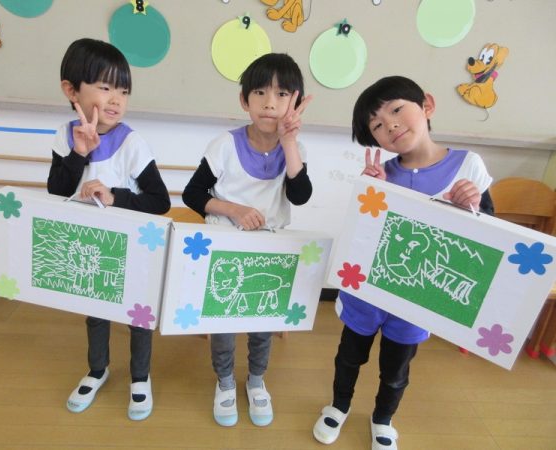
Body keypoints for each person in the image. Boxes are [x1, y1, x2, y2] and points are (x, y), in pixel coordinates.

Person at [312, 76, 494, 449]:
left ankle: (383, 419)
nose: (390, 125)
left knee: (396, 369)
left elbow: (489, 236)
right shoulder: (383, 174)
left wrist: (472, 205)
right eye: (377, 125)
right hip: (366, 294)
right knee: (348, 357)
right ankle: (339, 405)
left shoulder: (468, 165)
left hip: (416, 300)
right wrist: (370, 192)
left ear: (427, 105)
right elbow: (361, 237)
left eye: (396, 109)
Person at [182, 53, 313, 427]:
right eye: (260, 92)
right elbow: (193, 194)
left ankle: (256, 380)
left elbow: (300, 195)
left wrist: (289, 142)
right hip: (226, 249)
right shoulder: (224, 144)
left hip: (269, 250)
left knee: (262, 321)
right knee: (223, 324)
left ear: (295, 102)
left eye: (282, 94)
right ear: (244, 100)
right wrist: (234, 210)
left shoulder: (295, 150)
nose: (270, 103)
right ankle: (224, 381)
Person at [47, 38, 171, 421]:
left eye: (124, 91)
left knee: (138, 315)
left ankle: (140, 377)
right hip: (91, 246)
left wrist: (114, 196)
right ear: (72, 90)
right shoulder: (65, 134)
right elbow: (57, 189)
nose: (116, 99)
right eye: (105, 87)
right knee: (96, 310)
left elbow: (160, 201)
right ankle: (97, 369)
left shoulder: (131, 141)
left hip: (134, 247)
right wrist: (79, 152)